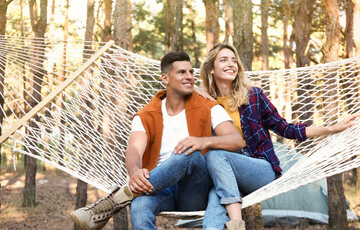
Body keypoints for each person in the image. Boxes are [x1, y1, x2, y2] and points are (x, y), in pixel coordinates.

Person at [70, 51, 244, 230]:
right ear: (165, 78)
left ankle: (117, 199)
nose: (189, 77)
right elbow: (134, 149)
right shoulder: (146, 114)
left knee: (189, 153)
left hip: (195, 190)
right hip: (159, 188)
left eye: (191, 72)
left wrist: (202, 142)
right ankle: (128, 195)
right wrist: (135, 171)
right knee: (139, 206)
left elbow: (236, 141)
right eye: (182, 72)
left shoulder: (208, 106)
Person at [198, 43, 360, 230]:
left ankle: (237, 225)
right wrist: (197, 91)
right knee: (215, 200)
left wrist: (332, 128)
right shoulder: (203, 103)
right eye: (224, 60)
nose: (231, 64)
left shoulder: (253, 96)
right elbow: (175, 88)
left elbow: (287, 129)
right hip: (226, 175)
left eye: (234, 60)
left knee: (215, 155)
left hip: (258, 168)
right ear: (211, 68)